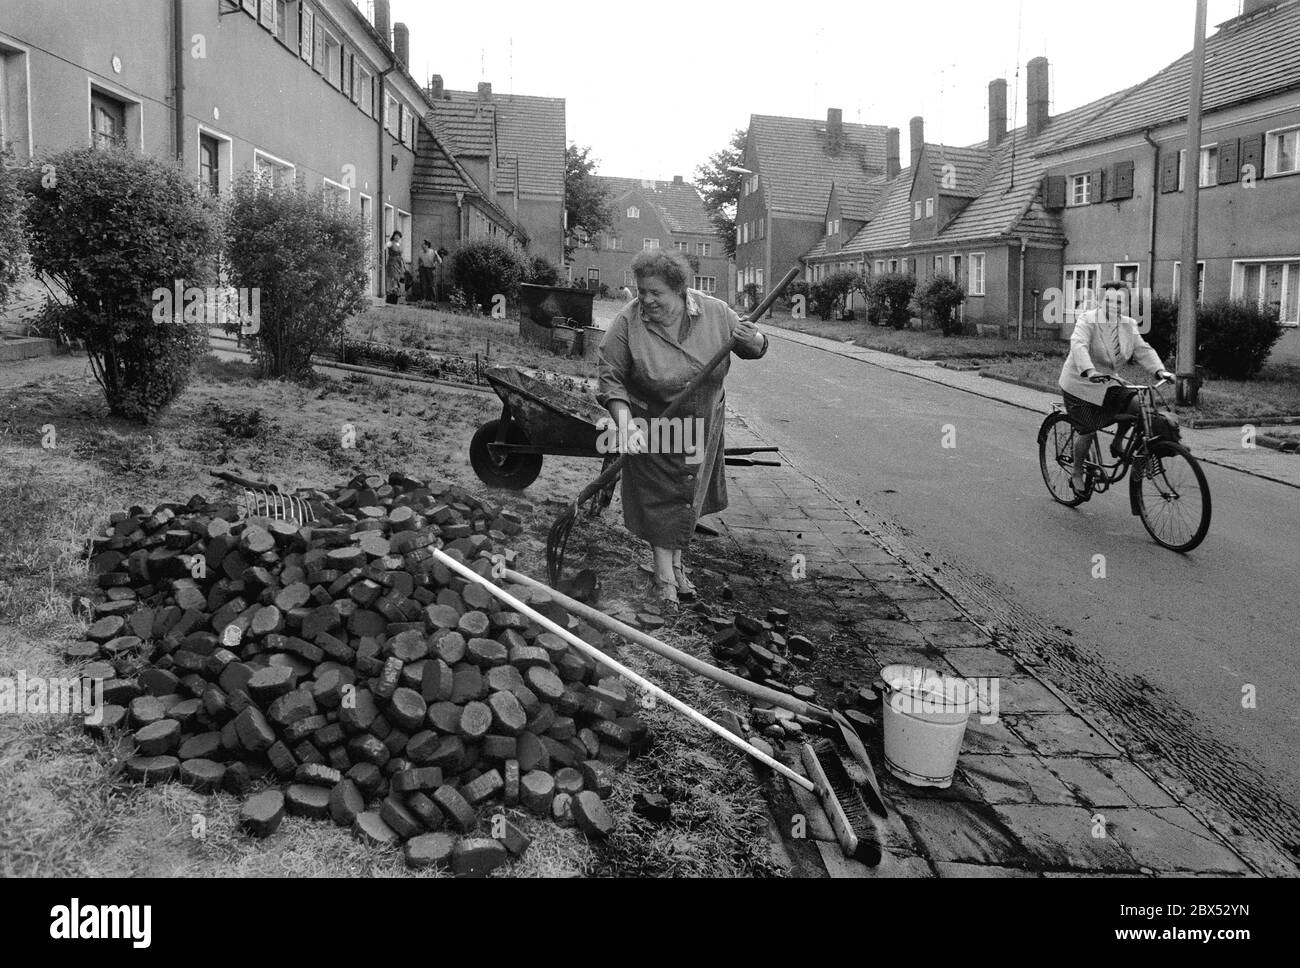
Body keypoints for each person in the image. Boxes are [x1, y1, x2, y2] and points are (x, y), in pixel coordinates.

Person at [597, 249, 768, 605]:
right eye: (642, 291)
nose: (646, 299)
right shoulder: (629, 322)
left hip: (703, 423)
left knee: (688, 496)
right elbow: (609, 376)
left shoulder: (715, 312)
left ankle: (676, 567)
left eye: (655, 292)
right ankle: (664, 578)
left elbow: (755, 347)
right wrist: (625, 425)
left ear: (680, 291)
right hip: (656, 423)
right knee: (662, 497)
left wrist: (753, 340)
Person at [1058, 282, 1175, 494]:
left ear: (1127, 304)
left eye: (1120, 301)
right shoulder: (1088, 320)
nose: (1115, 305)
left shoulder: (1128, 324)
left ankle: (1118, 443)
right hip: (1080, 384)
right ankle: (1076, 472)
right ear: (1101, 301)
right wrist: (1090, 371)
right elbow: (1079, 346)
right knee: (1087, 429)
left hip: (1108, 382)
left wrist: (1160, 371)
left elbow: (1142, 349)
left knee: (1139, 404)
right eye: (1110, 300)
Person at [417, 240, 442, 304]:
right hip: (423, 269)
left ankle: (434, 301)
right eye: (422, 245)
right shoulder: (421, 252)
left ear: (427, 246)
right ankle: (423, 299)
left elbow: (440, 261)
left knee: (432, 285)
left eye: (423, 245)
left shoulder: (433, 252)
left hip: (431, 269)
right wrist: (419, 266)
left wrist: (437, 255)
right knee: (423, 285)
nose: (422, 246)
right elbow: (419, 260)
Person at [385, 231, 405, 304]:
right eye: (396, 236)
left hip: (399, 263)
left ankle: (395, 294)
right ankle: (392, 293)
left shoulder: (399, 244)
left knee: (397, 278)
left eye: (399, 236)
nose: (397, 237)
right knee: (393, 277)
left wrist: (403, 264)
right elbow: (383, 248)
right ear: (393, 236)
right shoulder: (390, 243)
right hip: (392, 262)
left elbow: (401, 255)